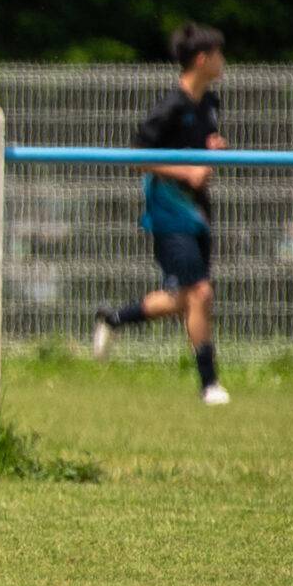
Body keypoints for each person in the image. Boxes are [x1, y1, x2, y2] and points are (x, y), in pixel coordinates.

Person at [92, 23, 230, 403]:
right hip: (168, 211)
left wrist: (211, 153)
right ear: (201, 59)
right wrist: (185, 171)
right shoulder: (170, 107)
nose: (222, 61)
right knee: (200, 292)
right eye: (218, 54)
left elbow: (201, 155)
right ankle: (209, 384)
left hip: (198, 210)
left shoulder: (210, 104)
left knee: (189, 297)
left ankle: (114, 318)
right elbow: (138, 157)